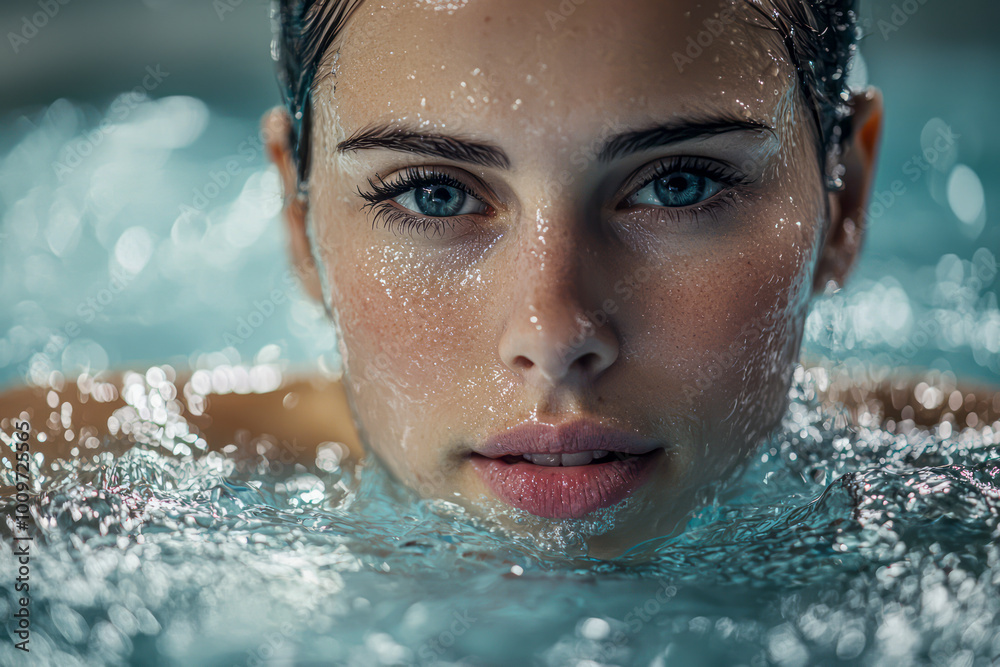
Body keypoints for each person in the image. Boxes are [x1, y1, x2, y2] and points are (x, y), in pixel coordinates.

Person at [3, 0, 995, 558]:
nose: (554, 328)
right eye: (435, 194)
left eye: (678, 183)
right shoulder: (51, 481)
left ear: (845, 200)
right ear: (299, 220)